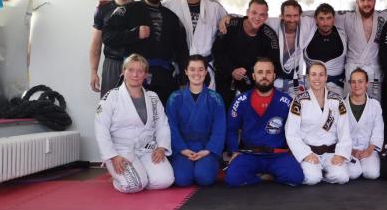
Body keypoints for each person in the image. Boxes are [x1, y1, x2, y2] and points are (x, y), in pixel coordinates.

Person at [101, 0, 189, 105]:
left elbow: (182, 50)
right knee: (132, 114)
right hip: (135, 76)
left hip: (163, 79)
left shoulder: (172, 17)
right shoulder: (126, 10)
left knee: (161, 114)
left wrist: (184, 78)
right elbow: (107, 37)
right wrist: (134, 34)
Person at [94, 54, 174, 193]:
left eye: (140, 71)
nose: (135, 75)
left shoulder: (153, 97)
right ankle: (121, 179)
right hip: (120, 151)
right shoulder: (111, 97)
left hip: (147, 149)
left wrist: (161, 147)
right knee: (134, 185)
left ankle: (141, 175)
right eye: (130, 70)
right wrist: (112, 156)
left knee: (165, 181)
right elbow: (101, 129)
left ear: (146, 75)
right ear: (123, 72)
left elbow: (162, 124)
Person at [225, 58, 304, 187]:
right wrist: (234, 151)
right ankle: (264, 177)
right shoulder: (241, 100)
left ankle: (265, 174)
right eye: (260, 72)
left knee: (296, 177)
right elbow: (231, 128)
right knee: (232, 178)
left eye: (268, 72)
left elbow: (296, 129)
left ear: (274, 76)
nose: (264, 76)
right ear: (254, 76)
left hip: (277, 155)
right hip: (250, 154)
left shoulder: (286, 101)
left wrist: (293, 151)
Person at [285, 62, 352, 185]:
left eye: (321, 75)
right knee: (312, 179)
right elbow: (291, 132)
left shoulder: (337, 100)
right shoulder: (299, 100)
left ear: (326, 77)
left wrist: (340, 154)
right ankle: (316, 174)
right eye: (313, 74)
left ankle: (324, 174)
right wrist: (306, 154)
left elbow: (345, 131)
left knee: (342, 177)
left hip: (331, 152)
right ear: (308, 77)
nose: (317, 78)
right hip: (309, 151)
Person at [166, 55, 226, 187]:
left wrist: (208, 150)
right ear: (186, 71)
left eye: (200, 69)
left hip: (207, 149)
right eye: (192, 69)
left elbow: (220, 129)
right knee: (182, 179)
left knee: (204, 178)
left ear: (206, 72)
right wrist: (182, 149)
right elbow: (171, 127)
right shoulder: (175, 98)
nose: (196, 73)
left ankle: (206, 165)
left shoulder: (216, 98)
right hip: (182, 149)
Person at [163, 0, 228, 89]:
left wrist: (228, 17)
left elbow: (232, 20)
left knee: (206, 98)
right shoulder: (171, 5)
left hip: (205, 65)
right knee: (181, 98)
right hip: (181, 64)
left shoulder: (214, 8)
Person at [213, 0, 280, 110]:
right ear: (247, 12)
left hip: (253, 85)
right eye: (254, 13)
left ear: (266, 17)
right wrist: (231, 70)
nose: (257, 18)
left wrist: (255, 76)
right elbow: (217, 53)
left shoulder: (270, 36)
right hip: (225, 80)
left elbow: (273, 65)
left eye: (262, 15)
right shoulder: (230, 26)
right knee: (223, 111)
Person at [89, 0, 133, 96]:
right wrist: (93, 71)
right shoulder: (102, 10)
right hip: (111, 64)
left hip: (135, 65)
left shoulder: (140, 8)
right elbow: (96, 44)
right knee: (110, 104)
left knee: (135, 105)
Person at [344, 68, 383, 180]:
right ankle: (357, 167)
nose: (357, 85)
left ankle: (364, 165)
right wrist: (352, 151)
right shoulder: (341, 105)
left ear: (367, 83)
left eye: (360, 81)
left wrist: (369, 150)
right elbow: (338, 133)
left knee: (372, 173)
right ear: (350, 84)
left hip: (368, 149)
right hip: (348, 150)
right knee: (353, 173)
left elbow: (378, 131)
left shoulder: (375, 105)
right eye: (353, 82)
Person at [303, 3, 347, 94]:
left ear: (334, 19)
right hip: (312, 86)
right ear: (315, 19)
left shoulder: (343, 35)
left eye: (329, 18)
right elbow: (299, 15)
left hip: (337, 87)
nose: (325, 23)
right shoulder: (308, 34)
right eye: (321, 18)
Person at [274, 0, 307, 98]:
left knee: (298, 105)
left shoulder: (306, 27)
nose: (292, 20)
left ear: (300, 16)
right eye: (288, 16)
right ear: (282, 16)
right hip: (276, 77)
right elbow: (255, 17)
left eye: (295, 15)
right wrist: (233, 18)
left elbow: (317, 13)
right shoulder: (273, 23)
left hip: (296, 77)